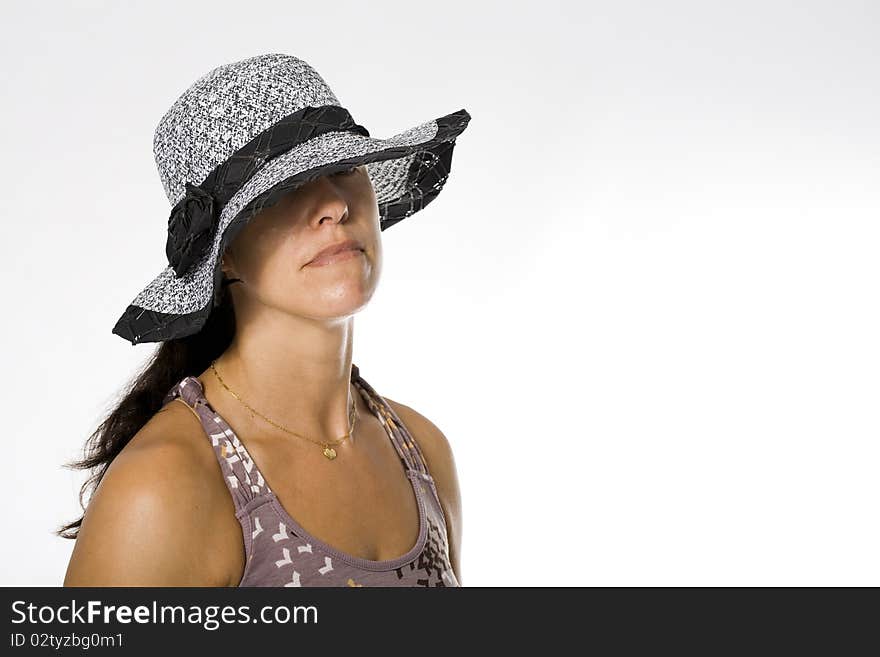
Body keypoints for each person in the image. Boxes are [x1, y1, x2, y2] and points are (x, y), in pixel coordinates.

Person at [59, 53, 471, 587]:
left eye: (342, 167)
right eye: (283, 189)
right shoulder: (166, 486)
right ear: (221, 253)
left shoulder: (422, 452)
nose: (332, 204)